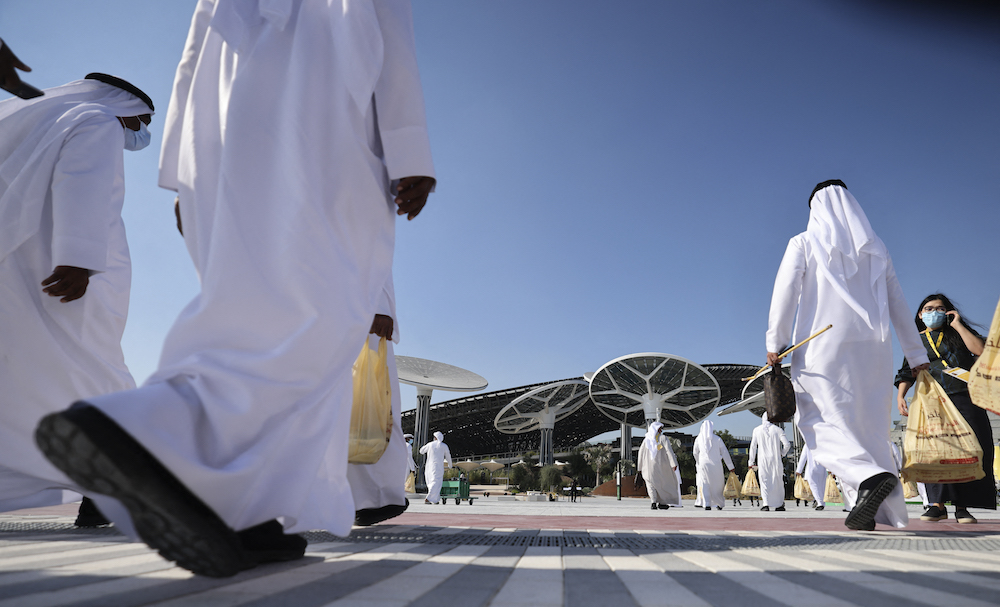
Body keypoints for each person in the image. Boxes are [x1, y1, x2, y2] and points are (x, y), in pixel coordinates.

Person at [35, 0, 435, 578]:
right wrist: (409, 147)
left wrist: (182, 175)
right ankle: (153, 427)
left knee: (257, 312)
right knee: (323, 318)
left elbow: (196, 55)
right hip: (327, 117)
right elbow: (388, 32)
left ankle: (249, 511)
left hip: (229, 136)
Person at [0, 75, 153, 520]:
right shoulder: (97, 120)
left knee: (28, 381)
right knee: (95, 371)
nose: (140, 131)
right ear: (124, 105)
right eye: (141, 120)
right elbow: (82, 184)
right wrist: (78, 260)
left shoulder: (36, 126)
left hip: (18, 275)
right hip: (65, 281)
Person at [766, 180, 929, 531]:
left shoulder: (805, 242)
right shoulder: (877, 249)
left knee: (817, 420)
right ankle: (875, 510)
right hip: (875, 347)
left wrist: (775, 341)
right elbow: (899, 303)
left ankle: (868, 478)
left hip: (821, 345)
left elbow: (786, 291)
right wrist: (915, 353)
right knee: (868, 428)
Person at [895, 294, 995, 524]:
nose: (934, 312)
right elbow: (906, 370)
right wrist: (901, 395)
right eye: (929, 309)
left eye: (940, 309)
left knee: (969, 450)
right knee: (935, 450)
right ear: (920, 314)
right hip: (930, 400)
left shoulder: (956, 333)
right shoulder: (915, 340)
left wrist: (957, 324)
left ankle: (963, 507)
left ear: (949, 312)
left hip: (964, 396)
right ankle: (937, 505)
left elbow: (980, 350)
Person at [348, 280, 410, 527]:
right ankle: (373, 498)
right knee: (375, 411)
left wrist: (379, 306)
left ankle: (368, 498)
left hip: (351, 314)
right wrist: (379, 305)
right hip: (352, 312)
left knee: (369, 411)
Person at [748, 413, 790, 511]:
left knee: (764, 481)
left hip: (763, 460)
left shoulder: (757, 430)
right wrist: (782, 454)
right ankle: (779, 505)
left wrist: (751, 462)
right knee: (778, 481)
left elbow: (753, 447)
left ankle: (766, 504)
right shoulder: (778, 430)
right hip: (776, 459)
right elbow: (787, 444)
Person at [637, 422, 681, 510]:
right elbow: (669, 451)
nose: (661, 430)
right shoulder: (663, 438)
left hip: (647, 468)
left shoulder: (645, 440)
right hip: (660, 467)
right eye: (660, 428)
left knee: (650, 485)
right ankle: (662, 502)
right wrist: (673, 464)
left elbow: (640, 454)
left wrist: (639, 468)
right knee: (662, 485)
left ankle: (653, 502)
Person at [693, 420, 735, 511]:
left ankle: (707, 503)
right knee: (718, 484)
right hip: (716, 465)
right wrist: (730, 467)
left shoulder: (698, 439)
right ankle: (719, 503)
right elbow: (725, 453)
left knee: (705, 484)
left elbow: (695, 453)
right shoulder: (717, 439)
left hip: (703, 464)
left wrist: (699, 462)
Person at [419, 432, 452, 504]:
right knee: (436, 482)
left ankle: (435, 499)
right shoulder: (444, 446)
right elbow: (448, 456)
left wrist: (428, 446)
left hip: (429, 466)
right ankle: (428, 498)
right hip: (438, 467)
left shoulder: (430, 444)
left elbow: (421, 451)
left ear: (435, 437)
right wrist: (450, 465)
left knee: (431, 482)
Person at [795, 444, 827, 510]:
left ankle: (819, 502)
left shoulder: (808, 443)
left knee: (814, 486)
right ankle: (821, 502)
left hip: (811, 467)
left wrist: (799, 470)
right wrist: (830, 470)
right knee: (822, 486)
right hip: (822, 467)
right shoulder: (822, 442)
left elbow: (803, 456)